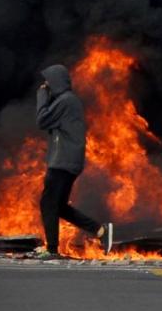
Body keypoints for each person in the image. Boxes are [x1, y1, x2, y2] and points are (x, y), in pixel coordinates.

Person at [33, 64, 113, 260]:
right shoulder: (67, 101)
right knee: (58, 206)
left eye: (47, 82)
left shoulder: (66, 101)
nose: (45, 85)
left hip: (62, 161)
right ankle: (100, 230)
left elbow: (42, 120)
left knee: (48, 203)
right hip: (68, 161)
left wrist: (41, 97)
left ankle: (51, 249)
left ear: (56, 82)